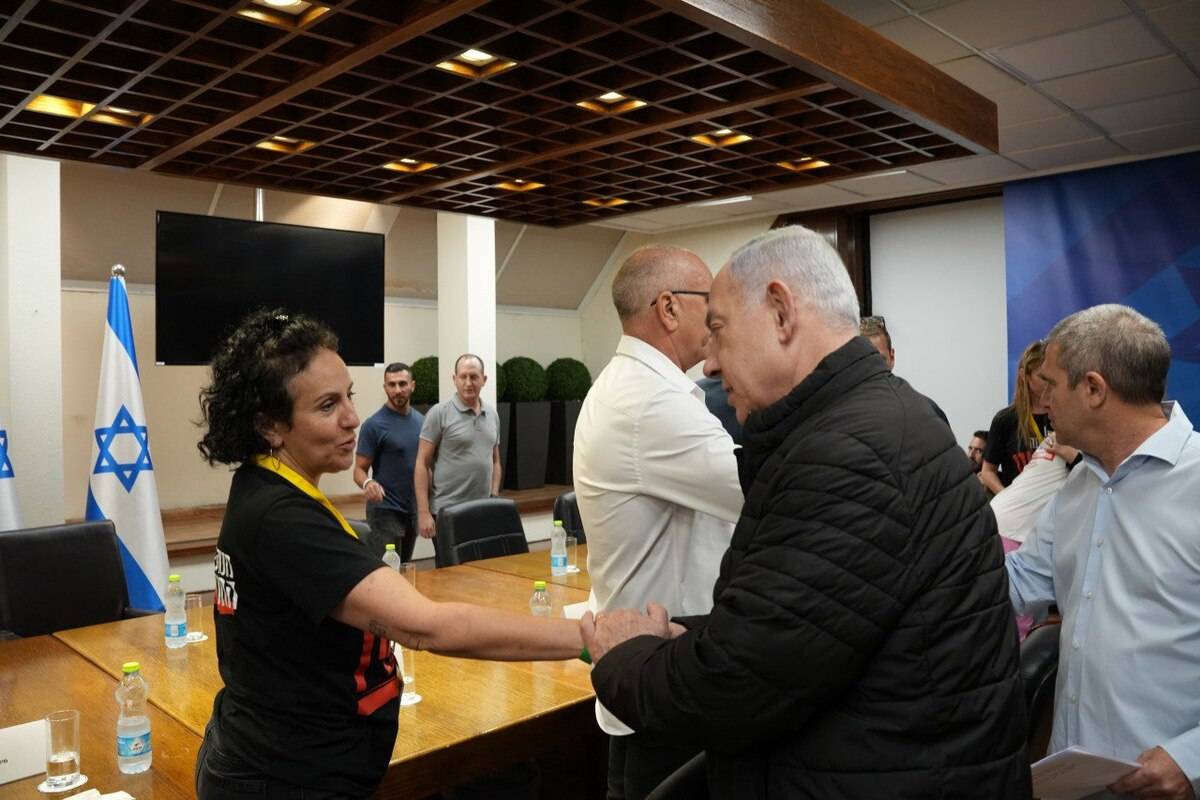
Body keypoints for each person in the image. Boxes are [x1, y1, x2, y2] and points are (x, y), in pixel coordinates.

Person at [582, 226, 1029, 798]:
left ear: (780, 312)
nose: (710, 363)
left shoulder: (847, 456)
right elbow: (806, 623)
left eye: (718, 328)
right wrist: (684, 636)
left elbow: (737, 687)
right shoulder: (882, 417)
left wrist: (628, 657)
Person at [194, 310, 585, 798]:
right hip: (281, 777)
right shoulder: (279, 516)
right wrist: (587, 635)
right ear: (270, 425)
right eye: (326, 405)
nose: (352, 418)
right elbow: (425, 626)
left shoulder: (264, 486)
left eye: (350, 397)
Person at [1007, 304, 1200, 800]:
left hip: (1167, 788)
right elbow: (1015, 584)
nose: (1040, 399)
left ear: (1093, 389)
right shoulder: (1077, 489)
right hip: (1074, 783)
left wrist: (1190, 757)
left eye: (1049, 383)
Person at [574, 245, 743, 800]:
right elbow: (762, 492)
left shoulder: (634, 388)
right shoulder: (649, 404)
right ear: (669, 309)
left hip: (646, 670)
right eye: (711, 302)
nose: (719, 318)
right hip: (663, 677)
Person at [414, 354, 501, 550]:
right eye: (463, 377)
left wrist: (494, 496)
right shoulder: (439, 413)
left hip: (482, 509)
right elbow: (421, 463)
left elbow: (495, 461)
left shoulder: (492, 415)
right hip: (447, 510)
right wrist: (424, 512)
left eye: (474, 376)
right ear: (454, 379)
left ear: (484, 379)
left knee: (483, 569)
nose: (468, 383)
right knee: (450, 572)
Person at [354, 362, 423, 560]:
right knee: (387, 572)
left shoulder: (422, 421)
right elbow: (358, 470)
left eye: (402, 384)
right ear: (385, 388)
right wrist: (368, 483)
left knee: (405, 568)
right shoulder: (373, 425)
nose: (397, 390)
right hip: (385, 511)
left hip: (412, 509)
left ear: (412, 386)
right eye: (391, 385)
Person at [981, 340, 1050, 494]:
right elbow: (987, 472)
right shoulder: (1005, 420)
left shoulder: (1062, 416)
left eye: (1051, 377)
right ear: (1024, 375)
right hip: (1020, 509)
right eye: (1042, 377)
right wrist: (1007, 500)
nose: (1048, 383)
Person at [861, 314, 950, 426]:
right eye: (865, 361)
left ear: (892, 357)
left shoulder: (927, 413)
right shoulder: (840, 415)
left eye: (880, 360)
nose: (873, 370)